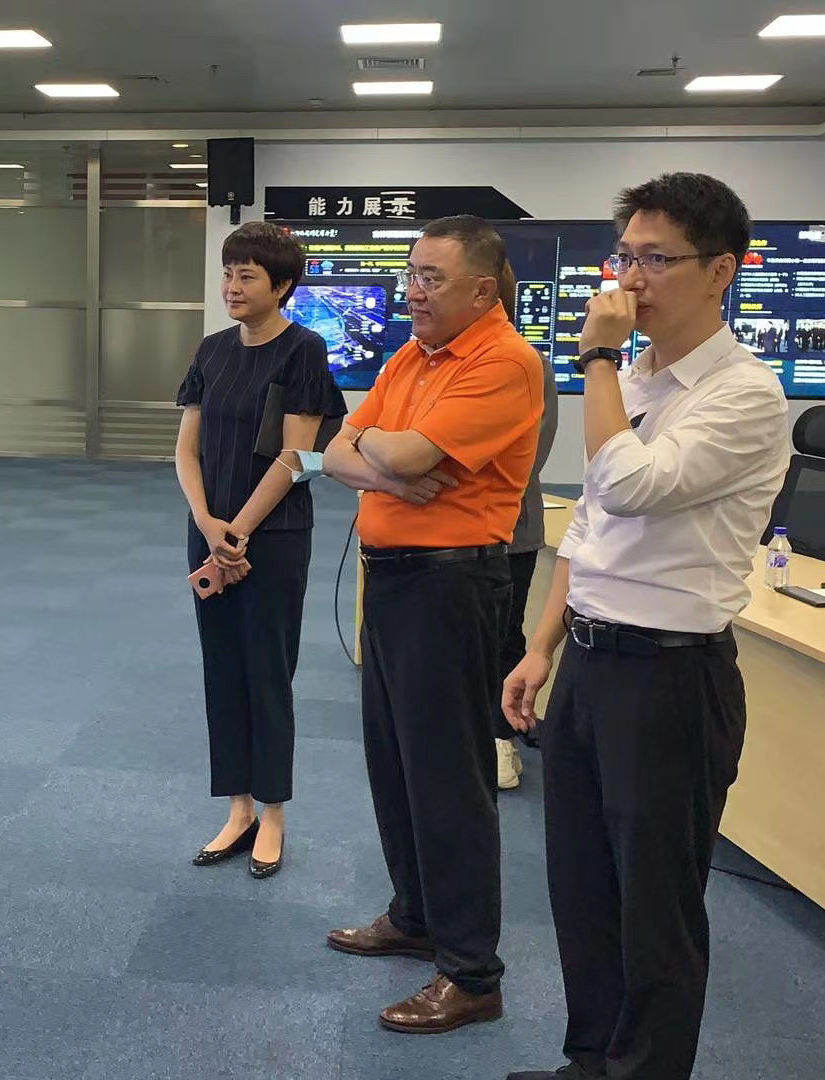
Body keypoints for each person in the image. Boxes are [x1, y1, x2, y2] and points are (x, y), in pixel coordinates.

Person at [501, 173, 788, 1080]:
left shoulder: (743, 394)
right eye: (625, 257)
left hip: (671, 678)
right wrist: (541, 646)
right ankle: (590, 1064)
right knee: (583, 891)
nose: (630, 278)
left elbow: (627, 484)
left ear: (721, 271)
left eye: (656, 259)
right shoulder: (634, 379)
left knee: (655, 910)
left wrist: (594, 358)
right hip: (590, 663)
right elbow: (589, 529)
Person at [321, 215, 545, 1035]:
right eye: (411, 274)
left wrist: (379, 452)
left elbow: (408, 457)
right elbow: (335, 453)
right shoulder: (414, 355)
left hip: (453, 586)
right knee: (394, 763)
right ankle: (416, 916)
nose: (412, 291)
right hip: (392, 581)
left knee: (449, 778)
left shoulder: (505, 362)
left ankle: (472, 973)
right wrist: (382, 463)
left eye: (431, 278)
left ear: (482, 290)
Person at [175, 221, 347, 879]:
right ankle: (238, 808)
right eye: (228, 273)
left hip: (271, 538)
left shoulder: (303, 349)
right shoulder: (212, 350)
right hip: (210, 532)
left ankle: (273, 812)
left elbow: (298, 457)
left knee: (267, 673)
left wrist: (238, 532)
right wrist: (207, 524)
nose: (232, 286)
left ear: (282, 286)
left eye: (247, 275)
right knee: (221, 669)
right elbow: (186, 449)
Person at [495, 254, 561, 792]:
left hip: (507, 533)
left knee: (500, 633)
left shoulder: (526, 364)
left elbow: (525, 461)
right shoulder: (425, 360)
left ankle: (500, 736)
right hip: (438, 537)